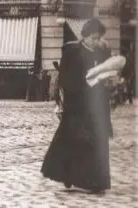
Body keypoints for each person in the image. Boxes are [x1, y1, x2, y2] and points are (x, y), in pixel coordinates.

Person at [41, 19, 114, 194]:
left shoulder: (101, 52)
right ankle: (70, 175)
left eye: (99, 39)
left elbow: (109, 72)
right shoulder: (72, 51)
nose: (97, 42)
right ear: (86, 36)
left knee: (97, 142)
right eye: (94, 38)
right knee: (74, 142)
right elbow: (65, 79)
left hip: (97, 106)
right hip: (77, 105)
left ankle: (96, 181)